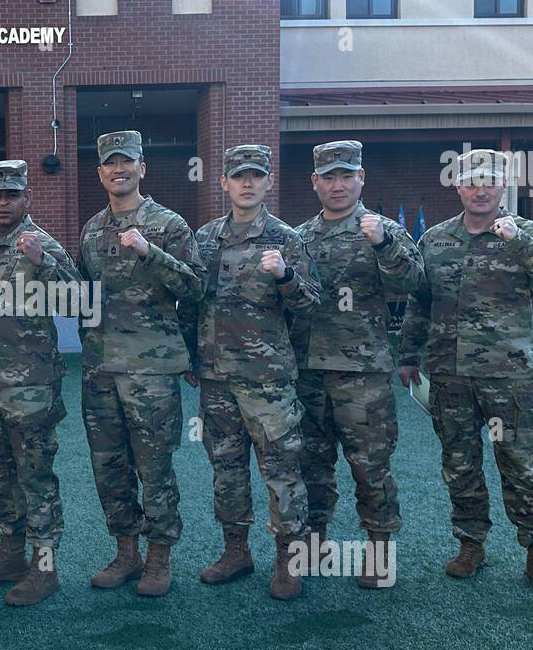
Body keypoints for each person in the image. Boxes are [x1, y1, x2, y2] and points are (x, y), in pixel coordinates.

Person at [398, 148, 533, 592]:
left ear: (503, 187)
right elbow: (420, 302)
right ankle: (470, 543)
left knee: (518, 462)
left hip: (507, 376)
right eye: (471, 182)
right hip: (448, 375)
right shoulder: (434, 240)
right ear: (457, 186)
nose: (481, 189)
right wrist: (407, 355)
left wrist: (519, 242)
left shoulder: (526, 233)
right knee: (459, 463)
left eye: (490, 182)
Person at [178, 144, 320, 600]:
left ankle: (288, 559)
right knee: (226, 469)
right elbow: (189, 302)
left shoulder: (286, 238)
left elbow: (310, 304)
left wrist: (285, 277)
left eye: (256, 175)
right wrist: (190, 358)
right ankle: (235, 550)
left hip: (267, 381)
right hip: (217, 378)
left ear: (268, 182)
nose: (247, 182)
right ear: (223, 183)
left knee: (281, 471)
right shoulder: (203, 239)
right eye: (238, 175)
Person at [290, 140, 423, 588]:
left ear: (361, 178)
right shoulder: (301, 236)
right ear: (315, 182)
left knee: (370, 465)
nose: (338, 184)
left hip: (362, 372)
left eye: (347, 175)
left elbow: (413, 282)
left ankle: (379, 550)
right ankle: (315, 542)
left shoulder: (381, 228)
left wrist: (383, 244)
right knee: (312, 463)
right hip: (309, 370)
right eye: (329, 177)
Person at [78, 130, 205, 598]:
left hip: (149, 371)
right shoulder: (92, 229)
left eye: (127, 162)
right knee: (108, 466)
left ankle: (159, 558)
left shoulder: (168, 225)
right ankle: (126, 553)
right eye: (111, 163)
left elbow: (194, 289)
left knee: (154, 467)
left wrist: (152, 254)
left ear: (142, 168)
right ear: (100, 173)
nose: (119, 170)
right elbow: (85, 294)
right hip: (100, 369)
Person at [0, 160, 83, 605]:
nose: (3, 202)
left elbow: (77, 301)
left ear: (26, 197)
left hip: (31, 386)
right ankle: (11, 555)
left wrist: (42, 262)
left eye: (12, 194)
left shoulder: (41, 243)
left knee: (36, 477)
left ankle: (44, 568)